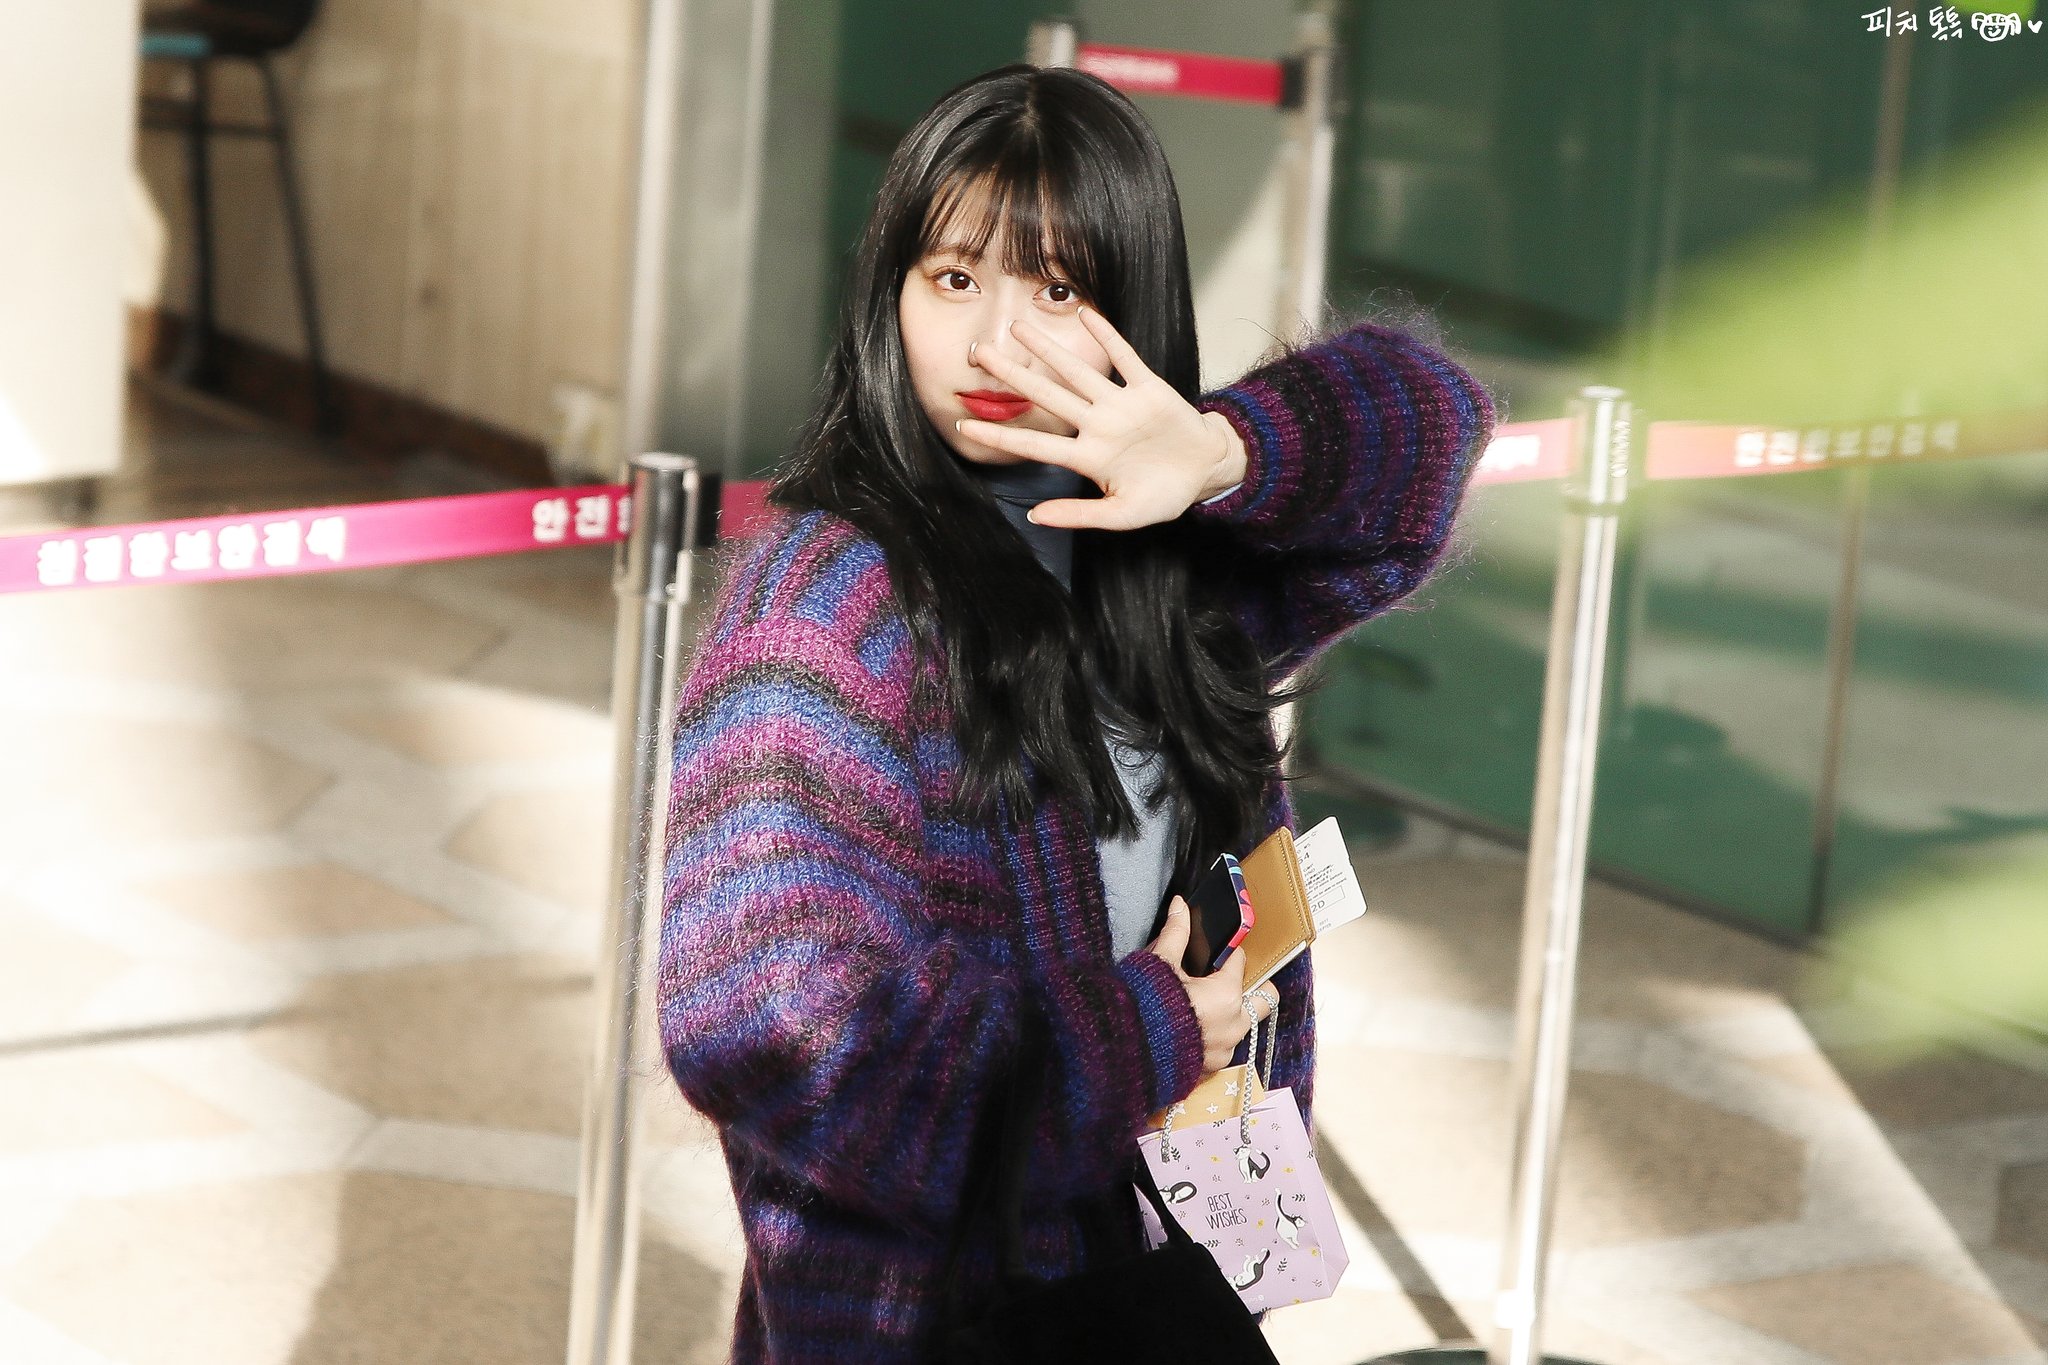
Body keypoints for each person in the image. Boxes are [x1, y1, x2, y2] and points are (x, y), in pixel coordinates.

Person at [657, 63, 1495, 1365]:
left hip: (1168, 1278)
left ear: (1134, 304)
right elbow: (768, 1029)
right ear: (888, 294)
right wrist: (1145, 1030)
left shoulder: (1160, 548)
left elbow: (1432, 420)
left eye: (1057, 289)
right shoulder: (828, 607)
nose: (999, 344)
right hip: (941, 1325)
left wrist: (1221, 452)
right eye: (954, 279)